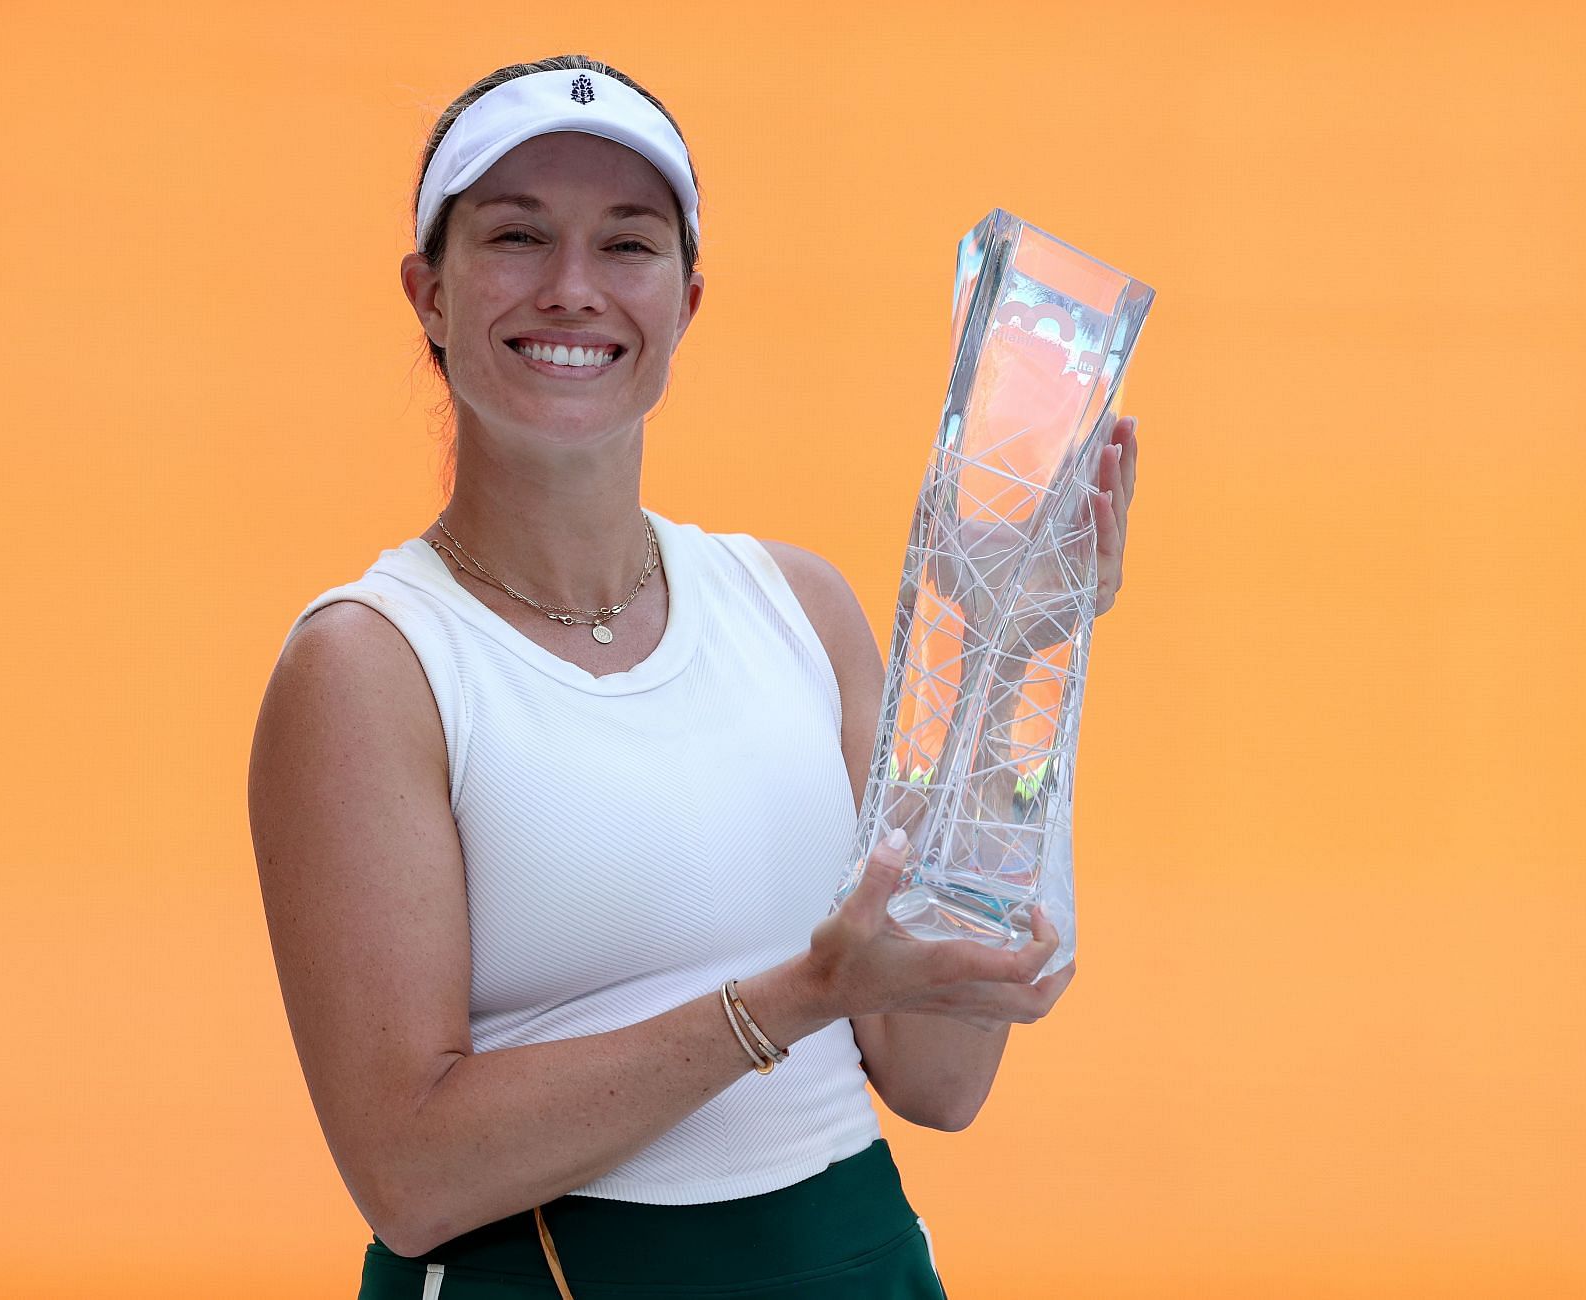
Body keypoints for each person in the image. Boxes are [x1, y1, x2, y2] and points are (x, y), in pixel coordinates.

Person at [247, 53, 1140, 1300]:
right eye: (516, 236)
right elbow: (412, 1173)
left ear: (687, 300)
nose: (573, 289)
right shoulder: (371, 663)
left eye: (628, 245)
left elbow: (939, 1080)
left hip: (856, 1265)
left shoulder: (799, 609)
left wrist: (1004, 656)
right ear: (429, 294)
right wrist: (800, 993)